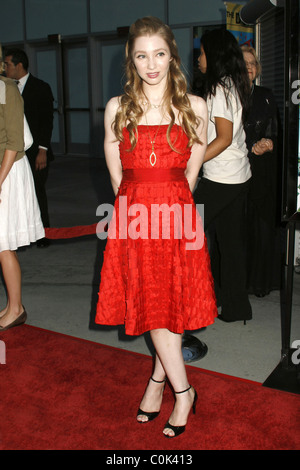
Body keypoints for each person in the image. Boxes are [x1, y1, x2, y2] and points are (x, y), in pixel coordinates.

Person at [95, 16, 217, 438]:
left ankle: (171, 387)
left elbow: (193, 175)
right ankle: (174, 387)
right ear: (132, 58)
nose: (151, 64)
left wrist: (170, 213)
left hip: (176, 215)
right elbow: (116, 179)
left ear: (172, 57)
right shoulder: (118, 108)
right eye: (142, 55)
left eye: (160, 54)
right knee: (153, 304)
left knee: (169, 305)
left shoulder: (195, 108)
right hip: (134, 216)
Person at [193, 29, 252, 323]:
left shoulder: (219, 88)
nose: (198, 58)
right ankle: (235, 307)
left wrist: (191, 163)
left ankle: (188, 302)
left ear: (213, 55)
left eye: (202, 52)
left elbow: (224, 138)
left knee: (183, 232)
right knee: (230, 245)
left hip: (222, 179)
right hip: (238, 177)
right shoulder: (234, 84)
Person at [0, 49, 45, 331]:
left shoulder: (7, 89)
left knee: (4, 245)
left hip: (9, 171)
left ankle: (16, 308)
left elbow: (14, 142)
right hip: (4, 170)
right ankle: (11, 305)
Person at [241, 45, 281, 297]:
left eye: (253, 63)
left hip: (264, 171)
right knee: (241, 228)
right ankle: (240, 283)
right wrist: (250, 146)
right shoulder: (227, 95)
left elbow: (278, 130)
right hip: (239, 169)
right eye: (244, 63)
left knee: (264, 227)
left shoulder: (267, 95)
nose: (249, 67)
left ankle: (262, 283)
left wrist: (270, 142)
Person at [4, 48, 54, 248]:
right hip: (12, 152)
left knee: (37, 192)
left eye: (7, 64)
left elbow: (47, 121)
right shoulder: (5, 88)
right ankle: (20, 235)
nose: (5, 68)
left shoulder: (40, 87)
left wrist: (43, 149)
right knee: (17, 196)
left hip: (35, 152)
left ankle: (44, 234)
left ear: (19, 65)